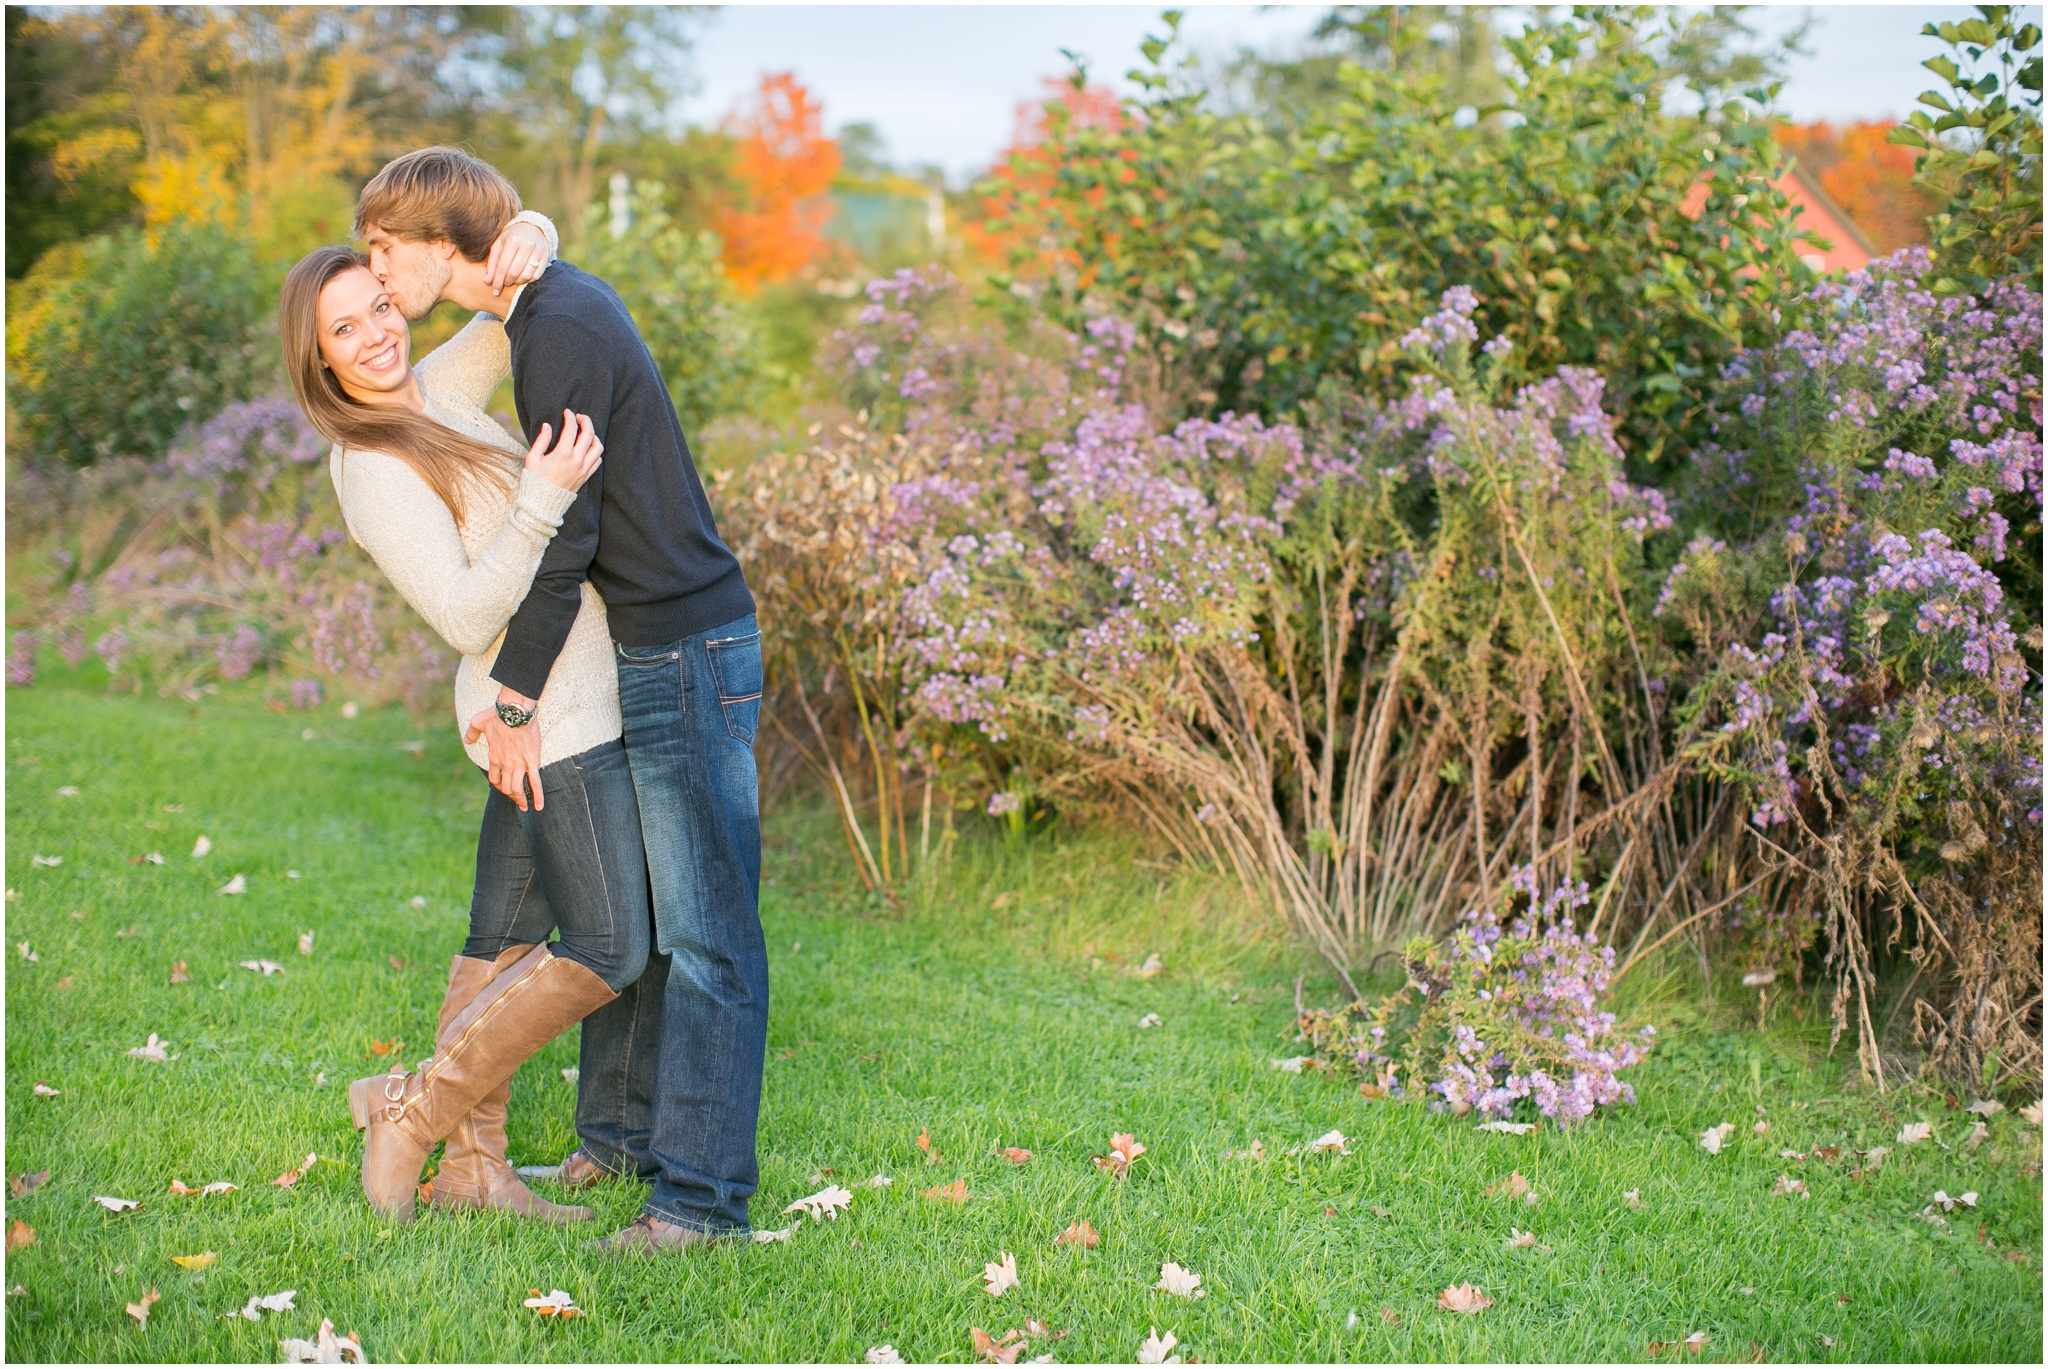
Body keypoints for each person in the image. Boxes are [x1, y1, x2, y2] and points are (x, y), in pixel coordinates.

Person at [355, 147, 767, 1254]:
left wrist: (518, 692)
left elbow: (567, 525)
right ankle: (618, 1143)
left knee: (705, 938)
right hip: (649, 643)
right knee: (650, 915)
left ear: (443, 245)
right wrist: (527, 224)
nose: (377, 269)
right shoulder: (537, 315)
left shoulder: (561, 327)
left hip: (685, 643)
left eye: (386, 248)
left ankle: (699, 1206)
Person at [280, 210, 648, 1226]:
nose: (373, 336)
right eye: (342, 333)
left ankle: (475, 1170)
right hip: (543, 711)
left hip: (545, 698)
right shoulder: (370, 465)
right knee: (609, 945)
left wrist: (527, 224)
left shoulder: (437, 388)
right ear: (317, 363)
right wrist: (541, 495)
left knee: (503, 933)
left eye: (374, 307)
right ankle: (415, 1113)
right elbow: (462, 611)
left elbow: (508, 288)